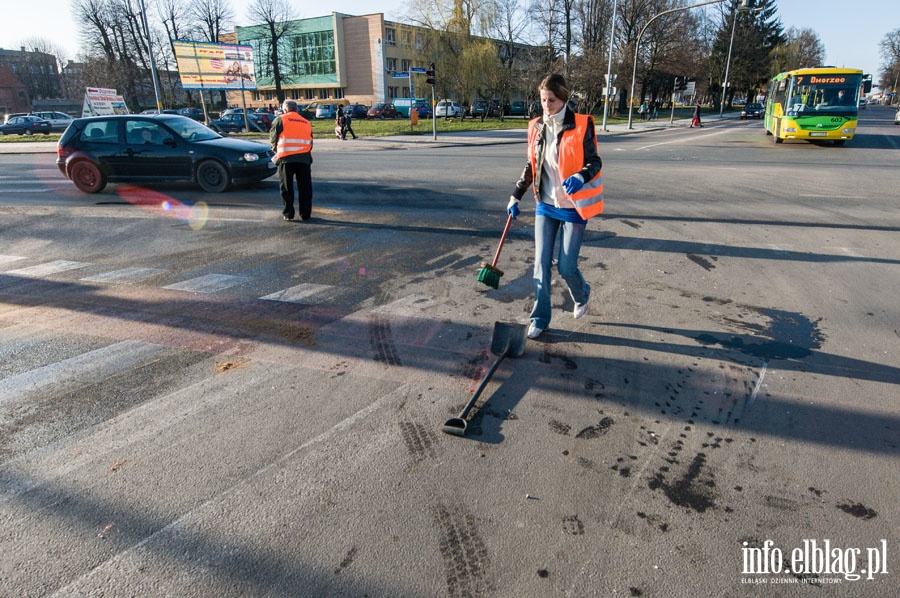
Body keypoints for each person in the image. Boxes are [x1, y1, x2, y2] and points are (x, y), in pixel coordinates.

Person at [506, 73, 604, 340]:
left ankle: (582, 293)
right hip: (546, 205)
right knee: (540, 263)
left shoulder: (582, 125)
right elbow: (532, 166)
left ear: (563, 98)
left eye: (550, 100)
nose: (546, 105)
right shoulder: (537, 127)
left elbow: (595, 162)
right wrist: (516, 196)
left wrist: (580, 176)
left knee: (566, 267)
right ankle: (539, 318)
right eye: (542, 100)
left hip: (573, 206)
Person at [270, 100, 314, 221]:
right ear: (297, 109)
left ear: (285, 110)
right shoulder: (306, 122)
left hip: (286, 159)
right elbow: (310, 142)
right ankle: (305, 214)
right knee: (305, 188)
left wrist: (276, 151)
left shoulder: (280, 120)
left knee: (286, 187)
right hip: (304, 159)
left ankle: (288, 214)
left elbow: (273, 140)